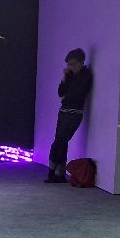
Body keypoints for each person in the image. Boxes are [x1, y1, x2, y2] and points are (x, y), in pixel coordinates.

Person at [46, 48, 93, 183]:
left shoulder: (86, 75)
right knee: (61, 141)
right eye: (69, 65)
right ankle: (58, 173)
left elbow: (78, 94)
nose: (71, 67)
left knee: (60, 141)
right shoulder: (70, 76)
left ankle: (53, 171)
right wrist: (65, 77)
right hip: (64, 111)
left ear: (81, 62)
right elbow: (61, 92)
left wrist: (67, 94)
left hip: (74, 113)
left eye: (73, 64)